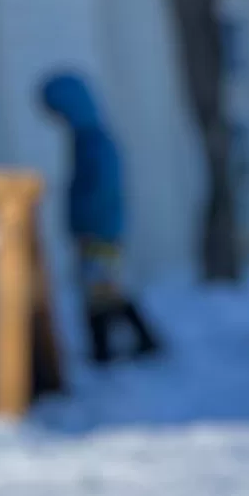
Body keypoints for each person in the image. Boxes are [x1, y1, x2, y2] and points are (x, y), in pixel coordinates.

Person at [39, 72, 161, 364]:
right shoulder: (87, 138)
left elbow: (100, 188)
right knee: (102, 288)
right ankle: (123, 345)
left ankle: (116, 347)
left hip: (98, 230)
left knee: (102, 290)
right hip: (96, 228)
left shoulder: (94, 142)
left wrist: (89, 226)